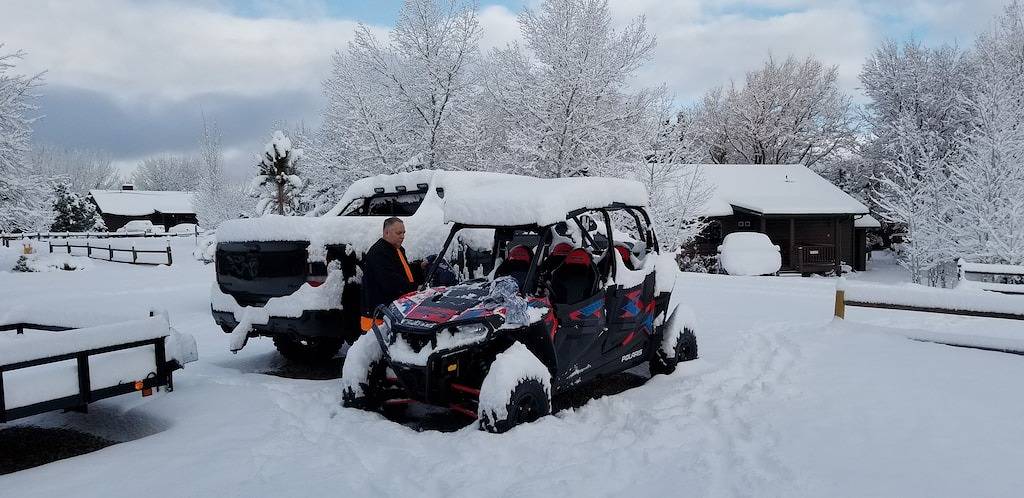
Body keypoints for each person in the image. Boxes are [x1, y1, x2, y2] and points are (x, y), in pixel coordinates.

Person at [360, 217, 417, 332]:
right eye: (398, 233)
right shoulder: (379, 253)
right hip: (377, 319)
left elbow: (403, 272)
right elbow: (390, 282)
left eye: (403, 233)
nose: (402, 236)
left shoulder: (397, 249)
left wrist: (420, 267)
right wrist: (415, 288)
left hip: (392, 314)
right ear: (386, 232)